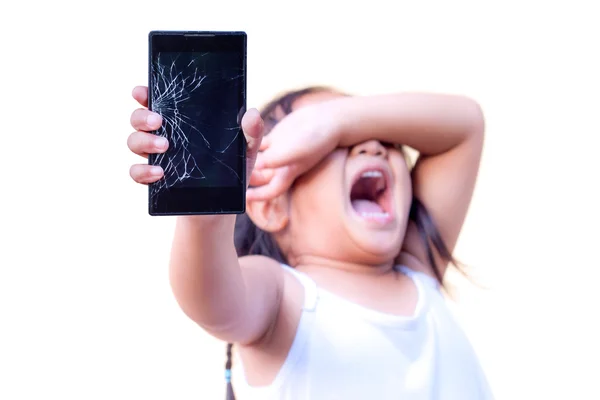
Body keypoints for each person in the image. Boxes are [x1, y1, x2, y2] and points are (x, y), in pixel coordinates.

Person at [127, 85, 493, 399]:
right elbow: (208, 297)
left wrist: (333, 121)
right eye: (338, 143)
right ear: (269, 204)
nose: (373, 146)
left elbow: (466, 124)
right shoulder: (283, 297)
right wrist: (205, 214)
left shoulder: (416, 269)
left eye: (383, 137)